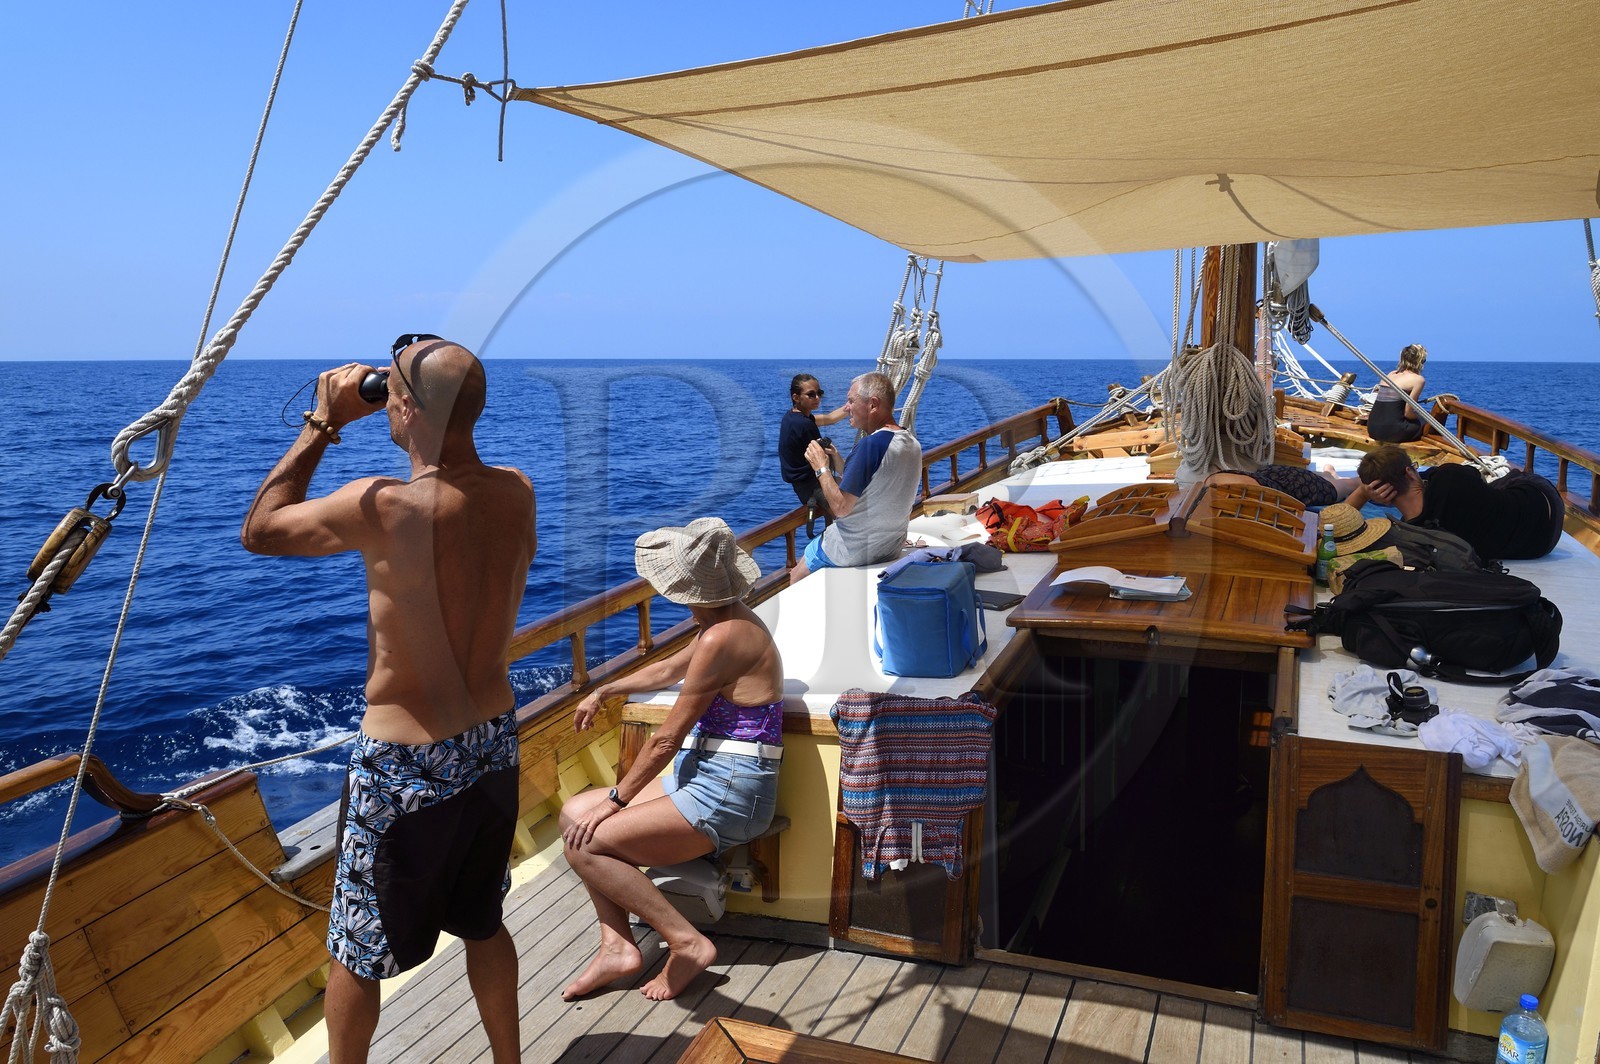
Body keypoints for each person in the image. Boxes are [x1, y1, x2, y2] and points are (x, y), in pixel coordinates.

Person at [241, 336, 536, 1064]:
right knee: (482, 920)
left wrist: (324, 422)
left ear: (399, 407)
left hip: (405, 759)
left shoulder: (385, 506)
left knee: (355, 946)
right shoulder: (516, 489)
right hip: (493, 741)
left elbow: (261, 530)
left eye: (391, 392)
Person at [561, 517, 782, 1002]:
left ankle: (686, 943)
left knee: (587, 840)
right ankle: (616, 947)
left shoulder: (723, 637)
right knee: (572, 814)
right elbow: (667, 668)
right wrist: (607, 689)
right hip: (709, 775)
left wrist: (615, 801)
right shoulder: (724, 620)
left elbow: (665, 739)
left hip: (730, 791)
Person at [789, 371, 922, 581]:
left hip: (852, 550)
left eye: (851, 401)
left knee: (796, 575)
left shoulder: (870, 446)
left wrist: (821, 467)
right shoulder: (911, 442)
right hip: (890, 546)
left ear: (873, 404)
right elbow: (876, 479)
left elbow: (840, 508)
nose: (847, 407)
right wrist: (841, 460)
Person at [1349, 444, 1564, 560]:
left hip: (1537, 547)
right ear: (1410, 473)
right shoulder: (1449, 477)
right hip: (1543, 501)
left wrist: (1362, 493)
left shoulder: (1410, 536)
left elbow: (1337, 522)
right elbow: (1475, 477)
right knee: (1502, 483)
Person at [777, 373, 847, 523]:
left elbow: (830, 418)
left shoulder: (792, 417)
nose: (817, 398)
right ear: (796, 397)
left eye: (819, 393)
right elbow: (821, 458)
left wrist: (849, 406)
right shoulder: (805, 424)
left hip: (802, 486)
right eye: (811, 394)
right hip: (813, 487)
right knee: (846, 508)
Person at [1205, 463, 1359, 508]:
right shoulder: (1208, 485)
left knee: (1350, 485)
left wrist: (1363, 491)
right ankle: (1328, 473)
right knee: (1331, 482)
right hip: (1270, 473)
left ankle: (1330, 475)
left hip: (1295, 485)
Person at [1366, 343, 1428, 443]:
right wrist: (1421, 417)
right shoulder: (1418, 380)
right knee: (1427, 422)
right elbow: (1408, 413)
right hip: (1392, 432)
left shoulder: (1390, 374)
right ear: (1420, 361)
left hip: (1372, 428)